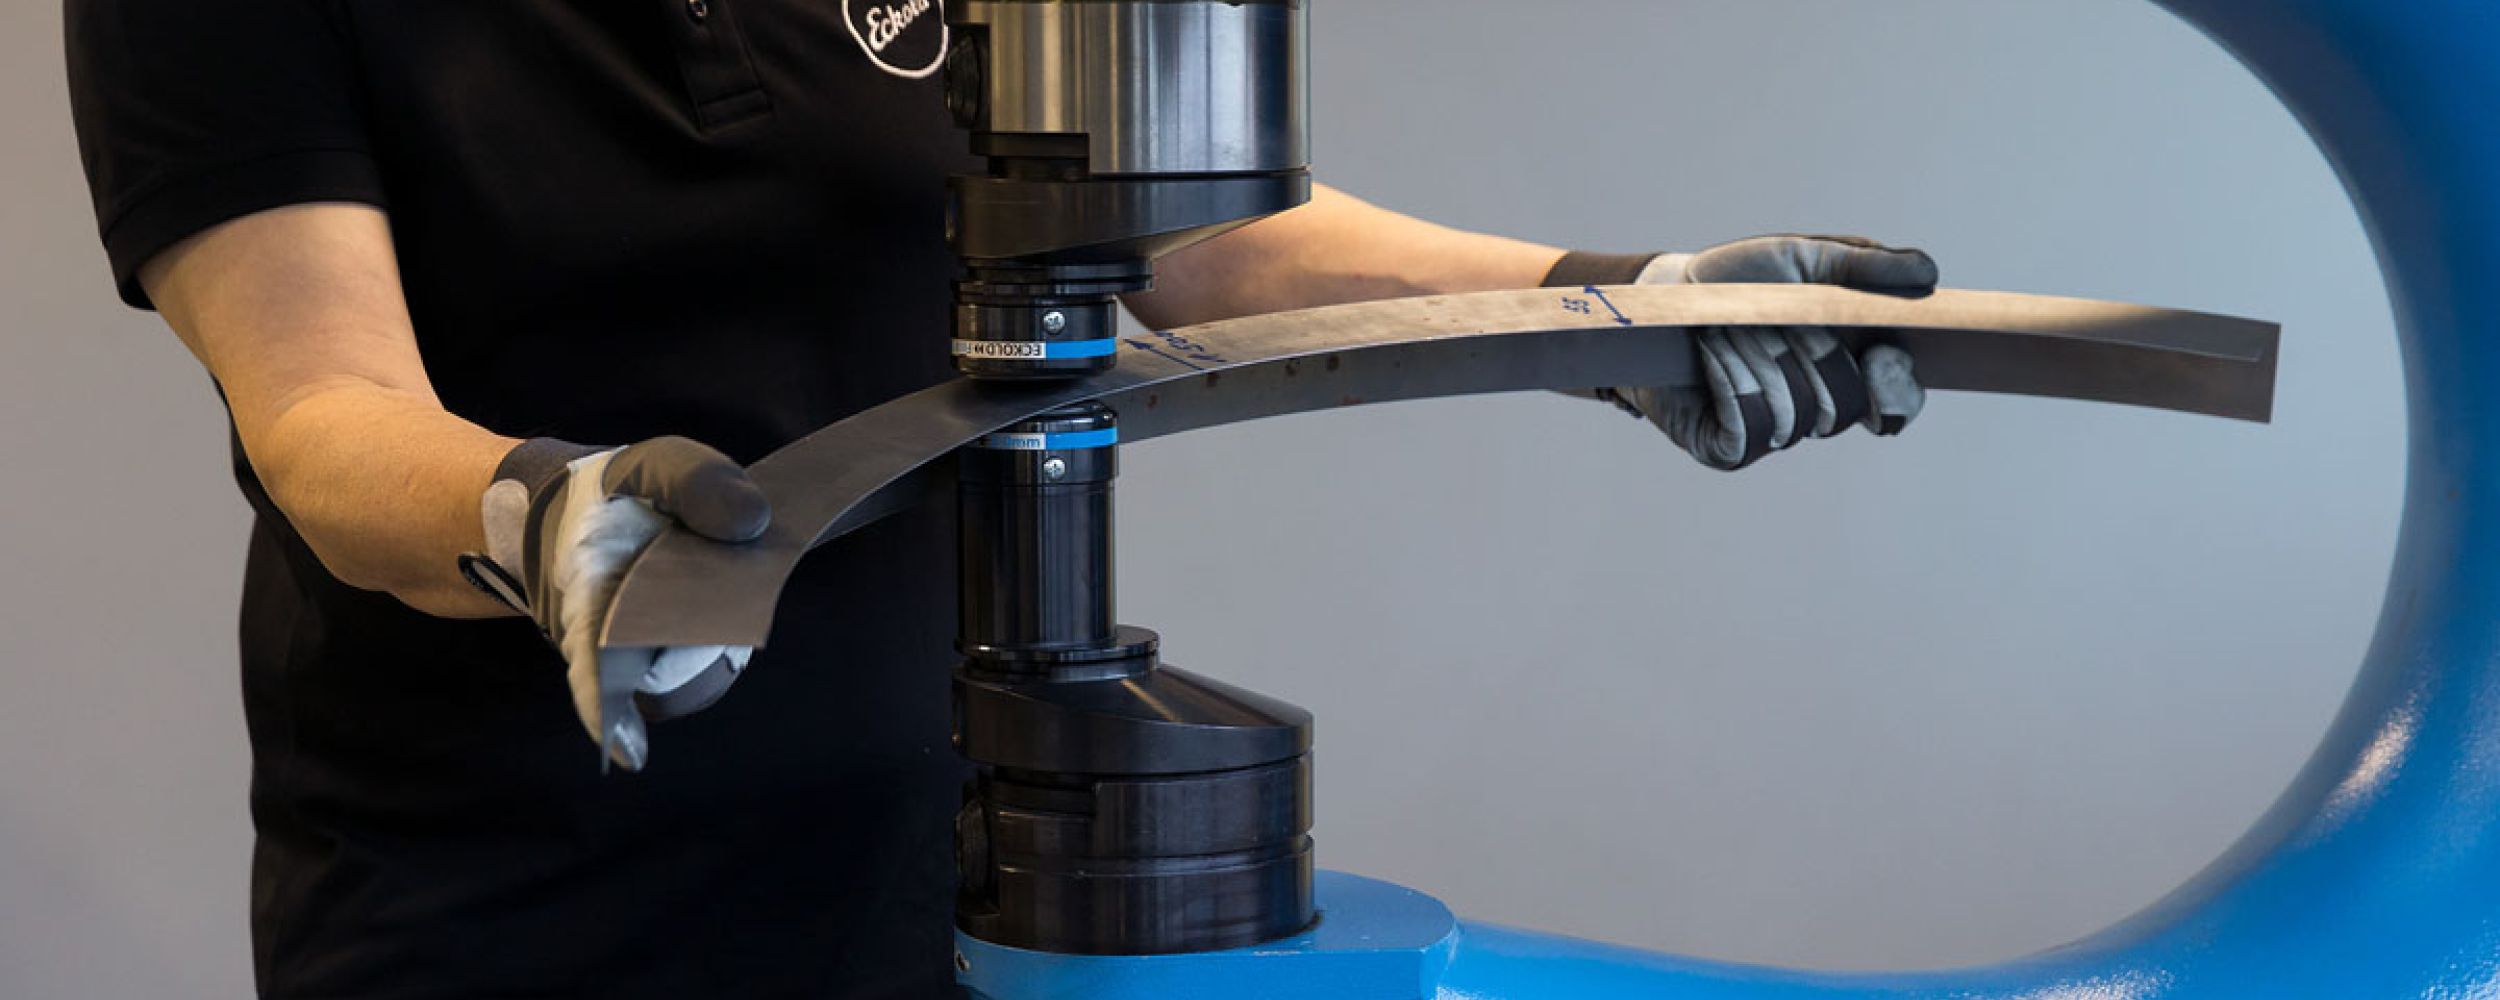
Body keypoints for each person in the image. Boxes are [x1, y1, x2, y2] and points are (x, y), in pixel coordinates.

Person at [64, 1, 1935, 996]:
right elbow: (326, 411)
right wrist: (540, 516)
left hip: (943, 889)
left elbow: (1177, 239)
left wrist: (1609, 306)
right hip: (512, 916)